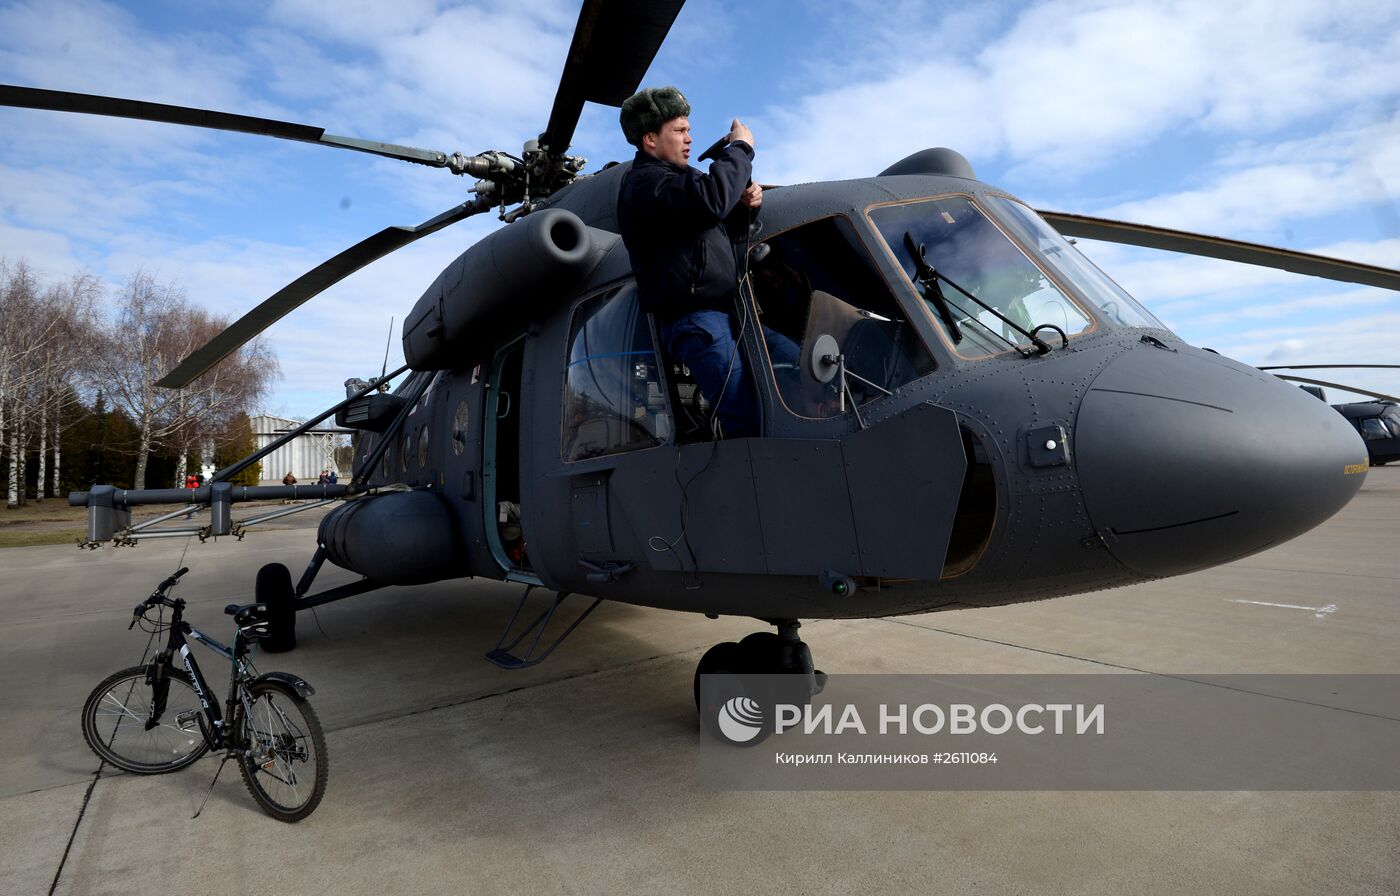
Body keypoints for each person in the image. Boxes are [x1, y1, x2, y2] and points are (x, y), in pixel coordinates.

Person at [616, 86, 797, 438]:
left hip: (732, 313)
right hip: (694, 320)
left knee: (794, 363)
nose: (689, 138)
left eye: (688, 129)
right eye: (680, 130)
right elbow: (710, 203)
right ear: (650, 139)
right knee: (745, 419)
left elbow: (720, 220)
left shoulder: (686, 182)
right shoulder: (645, 184)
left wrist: (748, 203)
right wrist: (741, 148)